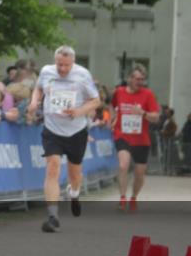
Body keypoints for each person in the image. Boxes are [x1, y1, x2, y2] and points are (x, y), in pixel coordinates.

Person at [27, 46, 101, 233]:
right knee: (52, 167)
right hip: (52, 129)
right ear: (55, 61)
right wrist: (34, 101)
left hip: (76, 131)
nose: (62, 69)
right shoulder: (46, 71)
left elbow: (95, 100)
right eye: (60, 64)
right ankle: (53, 216)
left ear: (73, 62)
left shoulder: (83, 75)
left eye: (66, 65)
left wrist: (78, 112)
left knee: (74, 174)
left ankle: (74, 194)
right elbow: (38, 88)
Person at [111, 65, 160, 211]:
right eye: (137, 79)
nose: (140, 82)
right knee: (123, 165)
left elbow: (156, 118)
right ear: (129, 79)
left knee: (139, 173)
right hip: (122, 135)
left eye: (142, 79)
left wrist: (143, 113)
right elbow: (111, 106)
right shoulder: (119, 92)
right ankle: (122, 198)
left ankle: (133, 197)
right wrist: (112, 118)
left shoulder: (148, 94)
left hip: (141, 139)